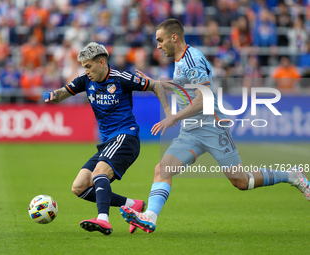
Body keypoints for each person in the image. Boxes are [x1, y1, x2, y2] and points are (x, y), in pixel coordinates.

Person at [119, 18, 310, 233]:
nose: (158, 45)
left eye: (160, 40)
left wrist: (173, 117)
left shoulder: (192, 60)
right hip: (190, 131)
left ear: (174, 37)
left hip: (212, 127)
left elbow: (204, 99)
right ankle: (150, 217)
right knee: (162, 170)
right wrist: (157, 83)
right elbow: (184, 86)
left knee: (241, 182)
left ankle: (293, 175)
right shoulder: (181, 60)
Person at [43, 42, 171, 235]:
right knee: (79, 187)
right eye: (83, 67)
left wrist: (168, 114)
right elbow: (62, 93)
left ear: (101, 62)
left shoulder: (121, 79)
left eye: (88, 66)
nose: (85, 71)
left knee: (98, 173)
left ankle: (103, 219)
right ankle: (133, 204)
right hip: (107, 143)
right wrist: (53, 95)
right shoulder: (85, 81)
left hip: (125, 137)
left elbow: (156, 86)